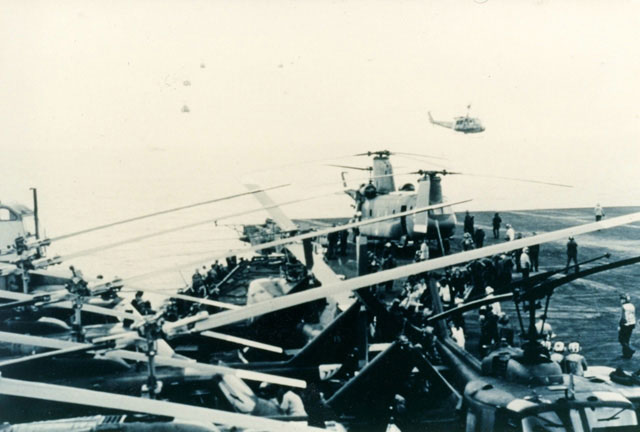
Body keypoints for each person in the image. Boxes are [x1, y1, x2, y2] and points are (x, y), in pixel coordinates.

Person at [619, 293, 636, 359]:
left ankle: (630, 350)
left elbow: (624, 317)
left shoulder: (624, 306)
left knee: (621, 340)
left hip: (625, 325)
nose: (621, 300)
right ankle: (627, 355)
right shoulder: (632, 305)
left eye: (622, 299)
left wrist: (620, 325)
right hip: (632, 323)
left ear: (625, 299)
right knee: (627, 340)